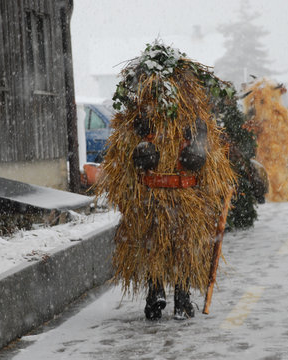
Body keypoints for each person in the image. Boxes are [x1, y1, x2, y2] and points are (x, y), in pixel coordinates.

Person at [95, 42, 236, 320]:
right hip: (166, 199)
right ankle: (166, 295)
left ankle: (169, 295)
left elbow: (212, 165)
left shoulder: (193, 124)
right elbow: (120, 165)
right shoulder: (140, 123)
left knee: (169, 248)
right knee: (163, 248)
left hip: (170, 200)